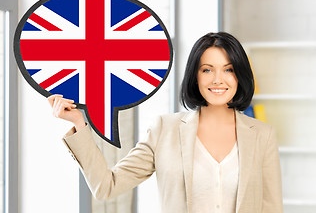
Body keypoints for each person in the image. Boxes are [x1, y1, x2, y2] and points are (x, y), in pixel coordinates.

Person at [48, 32, 283, 213]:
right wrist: (80, 124)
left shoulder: (263, 135)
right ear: (195, 75)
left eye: (228, 69)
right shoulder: (164, 130)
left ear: (239, 75)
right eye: (207, 70)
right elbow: (106, 186)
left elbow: (272, 207)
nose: (218, 80)